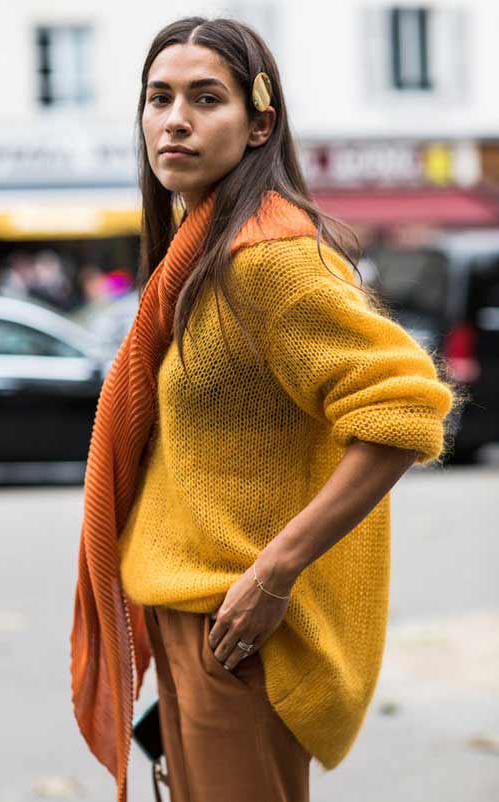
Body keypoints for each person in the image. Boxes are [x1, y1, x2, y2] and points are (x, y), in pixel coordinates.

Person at [69, 16, 457, 802]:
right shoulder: (196, 256)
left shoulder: (270, 260)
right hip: (184, 610)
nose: (174, 119)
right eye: (158, 97)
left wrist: (275, 573)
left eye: (205, 98)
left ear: (259, 125)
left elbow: (407, 407)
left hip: (237, 625)